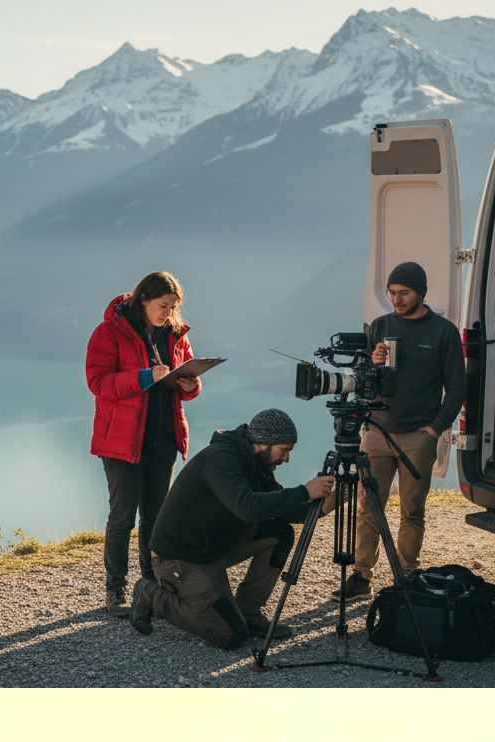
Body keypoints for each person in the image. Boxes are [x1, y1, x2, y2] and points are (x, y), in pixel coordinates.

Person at [129, 409, 335, 648]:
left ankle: (248, 612)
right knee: (230, 635)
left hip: (212, 547)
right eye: (284, 450)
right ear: (264, 443)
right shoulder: (221, 459)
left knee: (279, 533)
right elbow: (246, 507)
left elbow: (286, 511)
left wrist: (331, 502)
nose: (287, 458)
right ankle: (151, 595)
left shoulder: (258, 465)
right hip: (179, 559)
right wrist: (303, 491)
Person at [330, 261, 465, 602]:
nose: (396, 299)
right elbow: (361, 379)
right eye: (391, 293)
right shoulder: (380, 325)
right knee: (368, 505)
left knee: (412, 510)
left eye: (403, 293)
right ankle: (361, 577)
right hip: (376, 430)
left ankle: (407, 576)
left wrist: (435, 429)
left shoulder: (443, 332)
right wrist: (371, 362)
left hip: (417, 436)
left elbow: (458, 388)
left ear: (421, 292)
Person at [85, 271, 202, 617]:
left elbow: (190, 384)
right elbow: (99, 383)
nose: (167, 312)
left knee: (156, 516)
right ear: (144, 299)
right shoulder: (109, 332)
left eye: (172, 307)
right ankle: (115, 589)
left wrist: (190, 385)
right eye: (162, 305)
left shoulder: (176, 334)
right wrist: (144, 377)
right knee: (123, 517)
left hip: (164, 437)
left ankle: (150, 584)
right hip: (121, 441)